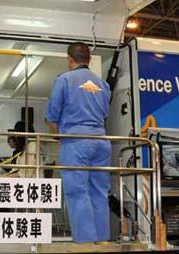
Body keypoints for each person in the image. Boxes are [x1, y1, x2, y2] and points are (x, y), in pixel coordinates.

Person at [45, 42, 112, 243]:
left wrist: (57, 134)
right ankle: (101, 241)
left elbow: (52, 115)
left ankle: (85, 243)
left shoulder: (64, 79)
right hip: (101, 141)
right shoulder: (103, 84)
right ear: (89, 59)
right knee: (99, 192)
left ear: (69, 59)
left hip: (76, 142)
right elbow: (105, 113)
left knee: (77, 192)